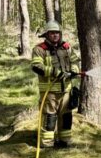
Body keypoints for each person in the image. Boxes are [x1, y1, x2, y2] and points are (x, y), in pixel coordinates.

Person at [31, 20, 80, 148]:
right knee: (49, 118)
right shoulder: (39, 49)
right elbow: (36, 66)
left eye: (57, 33)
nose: (55, 35)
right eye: (52, 33)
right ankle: (47, 144)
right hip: (50, 92)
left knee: (66, 117)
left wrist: (74, 69)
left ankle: (65, 141)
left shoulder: (66, 47)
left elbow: (75, 61)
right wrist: (54, 72)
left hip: (66, 91)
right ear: (46, 34)